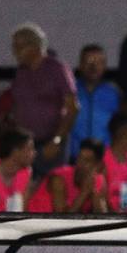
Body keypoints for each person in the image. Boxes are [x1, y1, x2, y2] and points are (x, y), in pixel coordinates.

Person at [10, 23, 78, 180]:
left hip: (51, 142)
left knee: (51, 186)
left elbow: (73, 108)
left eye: (18, 47)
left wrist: (57, 140)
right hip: (26, 144)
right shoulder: (21, 72)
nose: (14, 52)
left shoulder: (57, 69)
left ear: (33, 47)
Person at [28, 139, 108, 214]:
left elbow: (102, 217)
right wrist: (84, 192)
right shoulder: (58, 179)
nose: (80, 163)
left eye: (87, 161)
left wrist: (96, 195)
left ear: (98, 165)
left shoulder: (98, 179)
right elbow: (62, 220)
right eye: (79, 157)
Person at [70, 44, 121, 161]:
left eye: (99, 62)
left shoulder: (114, 93)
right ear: (80, 65)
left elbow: (120, 128)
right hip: (74, 156)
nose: (93, 66)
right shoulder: (70, 90)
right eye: (88, 61)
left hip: (104, 157)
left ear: (105, 66)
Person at [0, 129, 35, 212]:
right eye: (30, 149)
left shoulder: (26, 173)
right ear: (15, 152)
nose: (34, 153)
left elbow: (23, 212)